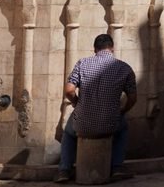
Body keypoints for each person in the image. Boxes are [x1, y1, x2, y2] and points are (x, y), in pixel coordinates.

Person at [57, 33, 137, 183]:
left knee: (68, 133)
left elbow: (69, 90)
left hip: (82, 124)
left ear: (95, 49)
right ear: (112, 48)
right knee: (123, 128)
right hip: (110, 123)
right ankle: (117, 167)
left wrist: (76, 102)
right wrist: (123, 111)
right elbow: (133, 98)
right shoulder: (124, 68)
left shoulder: (82, 63)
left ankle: (64, 170)